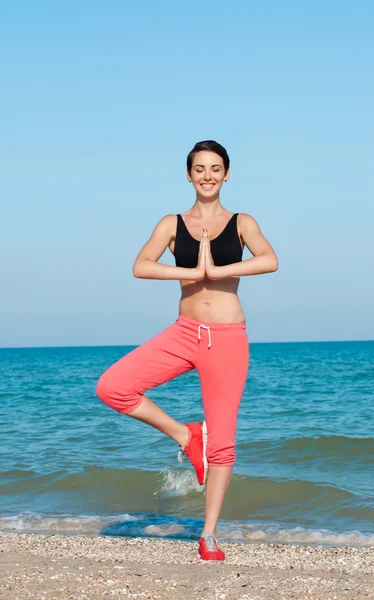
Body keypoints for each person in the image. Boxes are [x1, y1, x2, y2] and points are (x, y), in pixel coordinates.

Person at [96, 140, 278, 560]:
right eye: (200, 169)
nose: (208, 175)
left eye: (216, 168)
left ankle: (209, 534)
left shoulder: (242, 221)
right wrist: (191, 270)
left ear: (227, 174)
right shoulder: (172, 223)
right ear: (189, 175)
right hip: (184, 331)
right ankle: (185, 434)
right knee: (113, 387)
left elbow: (269, 260)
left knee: (224, 443)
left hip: (228, 338)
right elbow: (141, 265)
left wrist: (219, 269)